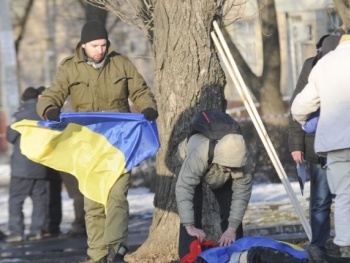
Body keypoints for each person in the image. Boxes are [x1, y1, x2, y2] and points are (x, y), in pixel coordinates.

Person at [36, 20, 158, 263]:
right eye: (94, 46)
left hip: (119, 145)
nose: (100, 50)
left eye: (103, 45)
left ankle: (116, 251)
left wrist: (148, 108)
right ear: (83, 45)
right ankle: (97, 256)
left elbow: (141, 91)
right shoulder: (71, 68)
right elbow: (52, 94)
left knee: (116, 198)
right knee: (93, 203)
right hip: (89, 147)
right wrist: (49, 109)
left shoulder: (120, 63)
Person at [291, 31, 350, 258]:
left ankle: (346, 247)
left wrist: (307, 122)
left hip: (334, 144)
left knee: (344, 194)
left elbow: (298, 108)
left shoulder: (323, 66)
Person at [175, 122, 254, 261]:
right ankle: (189, 256)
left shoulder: (243, 160)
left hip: (218, 170)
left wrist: (232, 228)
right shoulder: (199, 152)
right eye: (228, 166)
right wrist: (189, 225)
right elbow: (184, 188)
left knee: (231, 205)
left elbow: (241, 195)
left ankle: (236, 253)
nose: (230, 169)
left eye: (233, 167)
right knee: (192, 205)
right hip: (195, 161)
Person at [37, 86, 86, 238]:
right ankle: (85, 224)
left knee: (77, 193)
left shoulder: (63, 112)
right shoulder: (74, 108)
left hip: (68, 158)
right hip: (79, 157)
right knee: (83, 192)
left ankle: (80, 225)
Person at [5, 87, 48, 243]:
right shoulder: (44, 114)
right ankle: (37, 230)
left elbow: (10, 137)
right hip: (40, 162)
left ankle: (16, 232)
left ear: (23, 99)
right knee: (39, 199)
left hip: (21, 166)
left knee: (16, 200)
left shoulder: (19, 116)